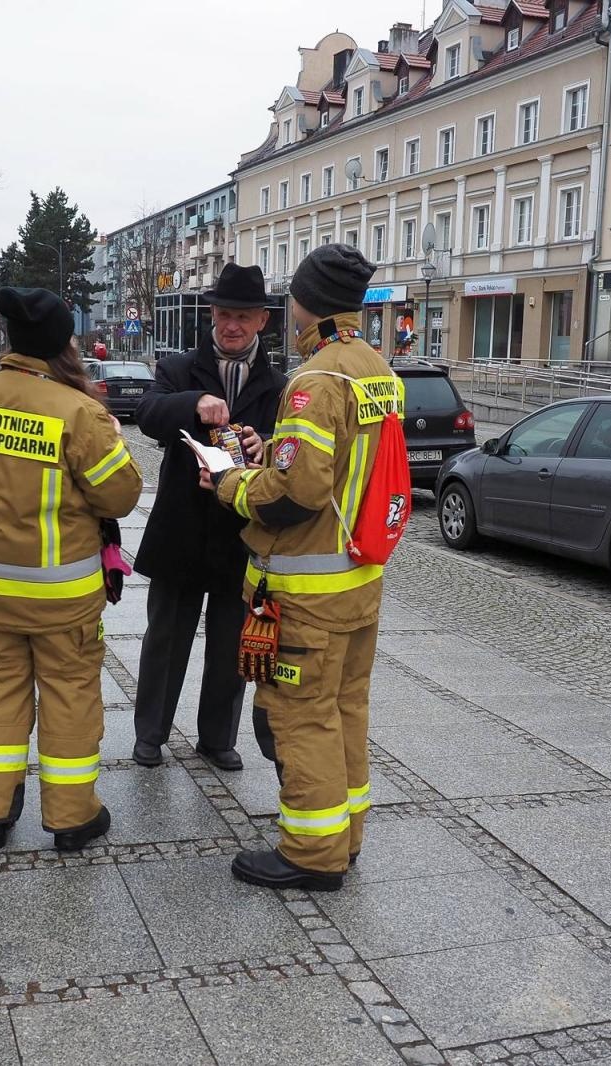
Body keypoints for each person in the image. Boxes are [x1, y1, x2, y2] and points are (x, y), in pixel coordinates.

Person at [0, 286, 143, 852]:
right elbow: (119, 497)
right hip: (61, 595)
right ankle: (71, 816)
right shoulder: (79, 413)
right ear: (61, 345)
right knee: (69, 692)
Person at [204, 244, 395, 892]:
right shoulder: (377, 371)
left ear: (306, 304)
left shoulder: (316, 380)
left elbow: (297, 491)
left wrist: (232, 484)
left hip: (309, 593)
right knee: (347, 709)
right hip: (358, 582)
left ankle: (312, 853)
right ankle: (347, 834)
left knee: (302, 715)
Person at [131, 264, 286, 771]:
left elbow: (288, 451)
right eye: (223, 314)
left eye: (242, 316)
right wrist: (194, 402)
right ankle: (150, 734)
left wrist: (263, 446)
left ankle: (216, 738)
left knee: (229, 649)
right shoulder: (179, 368)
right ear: (211, 314)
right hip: (181, 529)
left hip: (239, 536)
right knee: (165, 643)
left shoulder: (278, 383)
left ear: (262, 320)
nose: (231, 325)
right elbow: (149, 413)